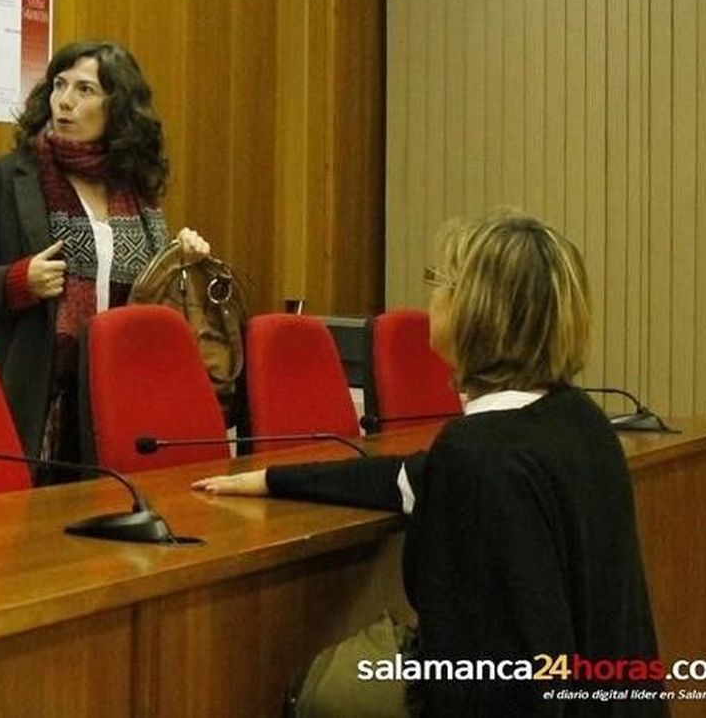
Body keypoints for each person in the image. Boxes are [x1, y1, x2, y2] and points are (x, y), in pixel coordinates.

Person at [194, 211, 663, 716]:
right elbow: (411, 478)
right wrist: (272, 478)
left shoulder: (480, 457)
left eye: (440, 282)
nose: (431, 296)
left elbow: (503, 678)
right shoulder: (575, 421)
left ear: (475, 311)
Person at [0, 40, 210, 467]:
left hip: (119, 393)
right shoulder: (8, 179)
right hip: (35, 390)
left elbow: (146, 294)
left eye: (85, 90)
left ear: (117, 106)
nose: (64, 101)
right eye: (59, 86)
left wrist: (179, 260)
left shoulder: (135, 188)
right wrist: (16, 281)